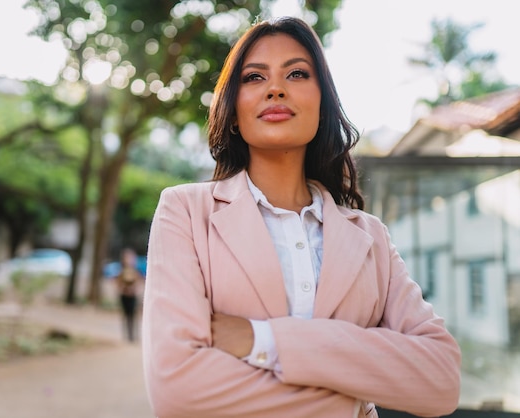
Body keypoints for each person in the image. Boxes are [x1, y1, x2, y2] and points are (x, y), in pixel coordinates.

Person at [142, 16, 461, 418]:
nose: (275, 88)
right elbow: (178, 390)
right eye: (254, 78)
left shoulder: (370, 238)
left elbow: (441, 381)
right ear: (234, 112)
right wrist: (353, 397)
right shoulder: (185, 212)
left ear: (323, 105)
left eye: (296, 73)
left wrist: (265, 341)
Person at [115, 248, 143, 342]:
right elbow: (118, 283)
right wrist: (122, 289)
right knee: (126, 315)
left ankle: (133, 336)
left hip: (132, 296)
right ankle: (127, 335)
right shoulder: (121, 270)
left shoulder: (135, 271)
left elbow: (138, 282)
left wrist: (134, 289)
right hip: (124, 296)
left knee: (133, 315)